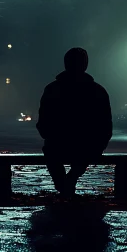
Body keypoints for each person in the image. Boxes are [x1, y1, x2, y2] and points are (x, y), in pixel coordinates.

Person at [36, 47, 112, 196]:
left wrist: (49, 135)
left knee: (51, 151)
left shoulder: (52, 89)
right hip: (87, 145)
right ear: (85, 65)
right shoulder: (98, 91)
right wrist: (100, 144)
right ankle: (70, 180)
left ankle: (63, 184)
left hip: (58, 143)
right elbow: (105, 124)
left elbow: (43, 120)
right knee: (87, 150)